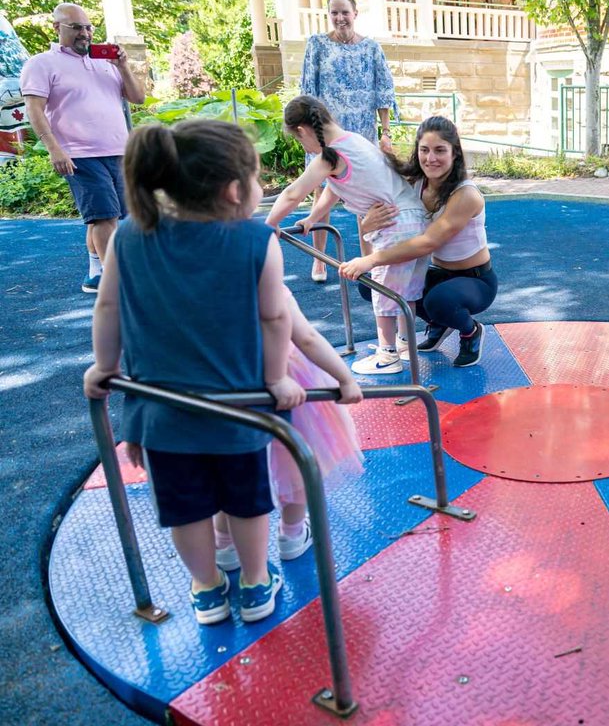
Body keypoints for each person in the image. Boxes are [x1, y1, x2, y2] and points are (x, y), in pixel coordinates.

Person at [83, 119, 304, 625]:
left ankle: (206, 588)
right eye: (256, 177)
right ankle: (253, 583)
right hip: (240, 407)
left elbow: (108, 307)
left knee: (185, 507)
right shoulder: (256, 240)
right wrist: (276, 379)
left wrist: (105, 366)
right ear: (232, 190)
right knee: (247, 503)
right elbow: (274, 318)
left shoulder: (130, 236)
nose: (262, 187)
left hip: (163, 411)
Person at [266, 95, 426, 375]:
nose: (303, 145)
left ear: (302, 131)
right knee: (406, 288)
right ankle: (403, 342)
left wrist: (270, 224)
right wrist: (312, 218)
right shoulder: (354, 141)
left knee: (384, 290)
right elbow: (333, 188)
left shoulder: (330, 155)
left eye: (299, 140)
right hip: (415, 220)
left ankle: (388, 355)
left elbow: (293, 193)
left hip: (394, 224)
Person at [214, 292, 365, 570]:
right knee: (296, 464)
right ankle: (292, 534)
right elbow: (306, 337)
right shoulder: (268, 289)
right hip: (289, 387)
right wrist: (344, 378)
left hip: (228, 389)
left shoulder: (198, 291)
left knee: (233, 471)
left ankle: (225, 544)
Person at [341, 116, 495, 369]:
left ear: (455, 153)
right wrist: (367, 225)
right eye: (424, 150)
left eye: (439, 150)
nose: (430, 158)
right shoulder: (414, 183)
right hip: (435, 273)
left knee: (440, 301)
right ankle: (440, 323)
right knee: (372, 285)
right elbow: (378, 225)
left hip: (475, 280)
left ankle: (470, 331)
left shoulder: (465, 194)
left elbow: (427, 243)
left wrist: (370, 259)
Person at [20, 3, 146, 293]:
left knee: (115, 215)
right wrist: (54, 149)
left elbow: (138, 98)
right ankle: (117, 281)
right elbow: (35, 110)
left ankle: (95, 273)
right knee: (103, 216)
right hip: (79, 154)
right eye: (76, 27)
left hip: (118, 151)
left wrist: (123, 66)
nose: (85, 33)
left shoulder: (106, 62)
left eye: (88, 27)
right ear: (56, 28)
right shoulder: (41, 64)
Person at [299, 0, 397, 283]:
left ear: (355, 12)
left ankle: (367, 260)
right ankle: (320, 261)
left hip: (361, 133)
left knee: (363, 199)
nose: (340, 18)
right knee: (321, 195)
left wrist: (385, 132)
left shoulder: (371, 48)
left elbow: (384, 91)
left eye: (345, 12)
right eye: (334, 13)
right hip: (326, 135)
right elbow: (308, 93)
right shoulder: (316, 45)